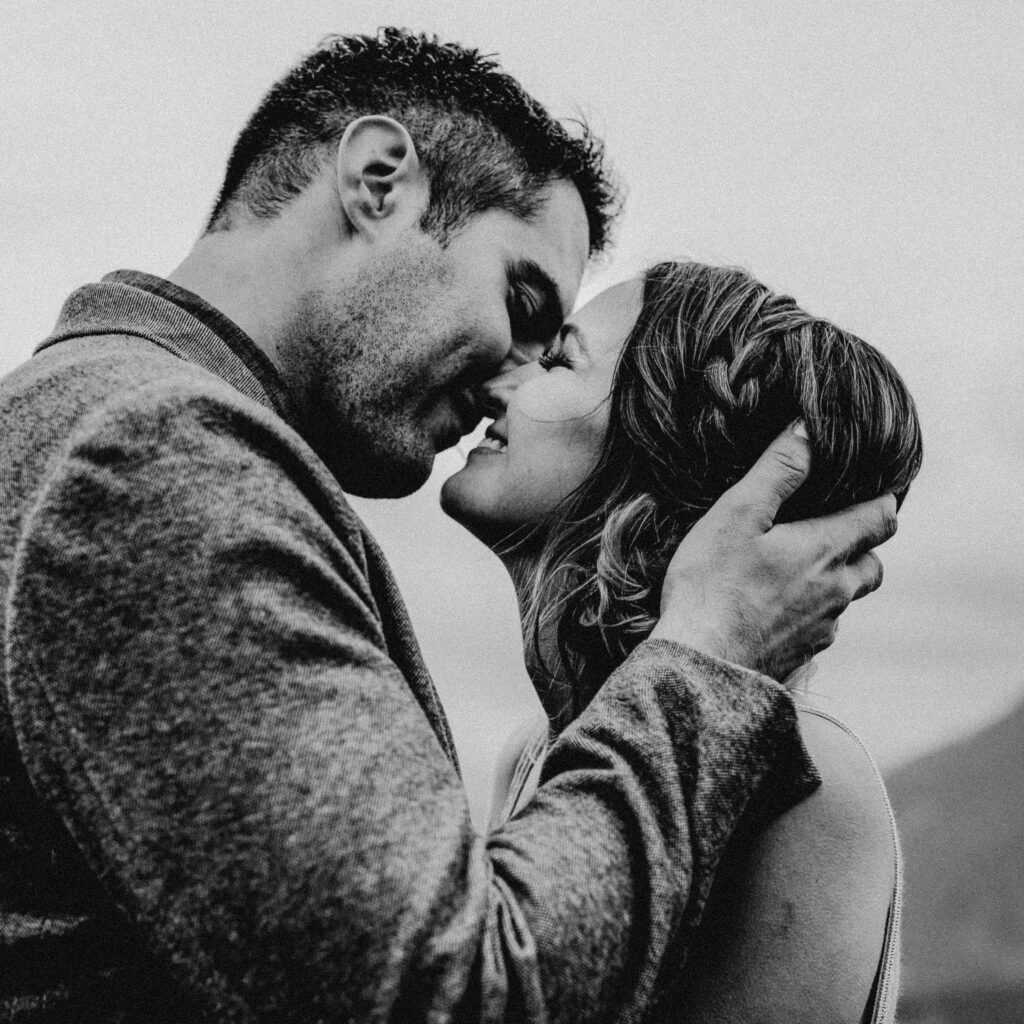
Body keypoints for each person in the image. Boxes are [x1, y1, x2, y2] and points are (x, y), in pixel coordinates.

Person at [0, 30, 897, 1023]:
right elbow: (442, 995)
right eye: (519, 297)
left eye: (555, 352)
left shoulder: (96, 421)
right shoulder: (157, 456)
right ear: (380, 180)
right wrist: (706, 655)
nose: (507, 373)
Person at [441, 262, 922, 1023]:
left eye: (561, 359)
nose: (503, 379)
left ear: (658, 448)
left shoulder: (804, 778)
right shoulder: (533, 752)